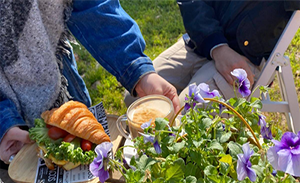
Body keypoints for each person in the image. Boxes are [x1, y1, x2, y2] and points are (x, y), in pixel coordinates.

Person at [0, 0, 180, 165]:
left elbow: (93, 4)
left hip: (59, 83)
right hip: (5, 144)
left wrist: (138, 71)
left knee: (88, 171)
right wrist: (3, 122)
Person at [125, 0, 300, 108]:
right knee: (136, 97)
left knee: (183, 118)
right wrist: (216, 46)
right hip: (200, 41)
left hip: (245, 56)